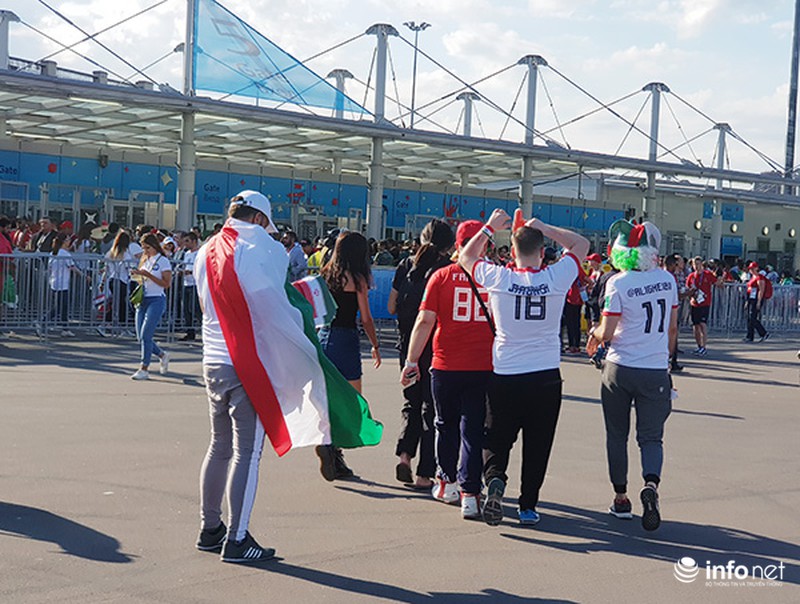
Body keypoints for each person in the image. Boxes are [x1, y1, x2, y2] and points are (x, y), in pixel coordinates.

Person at [460, 209, 590, 526]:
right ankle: (528, 505)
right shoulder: (555, 277)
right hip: (545, 375)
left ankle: (495, 480)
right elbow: (582, 245)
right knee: (538, 443)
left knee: (497, 439)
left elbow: (466, 257)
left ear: (512, 252)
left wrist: (489, 228)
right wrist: (545, 227)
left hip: (506, 373)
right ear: (542, 252)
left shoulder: (500, 277)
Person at [193, 191, 279, 563]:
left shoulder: (205, 249)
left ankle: (210, 528)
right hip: (244, 361)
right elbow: (270, 306)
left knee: (219, 447)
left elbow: (205, 304)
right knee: (248, 453)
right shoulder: (255, 247)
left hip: (212, 359)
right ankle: (238, 538)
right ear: (258, 219)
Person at [586, 220, 678, 532]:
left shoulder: (618, 283)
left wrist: (594, 335)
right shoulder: (667, 280)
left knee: (617, 434)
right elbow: (673, 328)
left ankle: (621, 497)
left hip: (620, 366)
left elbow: (608, 330)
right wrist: (666, 360)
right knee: (651, 437)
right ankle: (651, 485)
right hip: (654, 367)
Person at [400, 220, 494, 520]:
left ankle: (447, 482)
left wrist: (411, 361)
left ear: (457, 245)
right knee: (473, 429)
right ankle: (471, 492)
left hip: (445, 364)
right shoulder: (495, 277)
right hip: (483, 364)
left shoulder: (441, 276)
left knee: (445, 424)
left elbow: (424, 321)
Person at [389, 219, 455, 490]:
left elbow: (391, 306)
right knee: (432, 410)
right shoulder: (447, 270)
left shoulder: (405, 265)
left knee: (411, 403)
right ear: (449, 245)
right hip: (435, 348)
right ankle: (424, 474)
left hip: (406, 346)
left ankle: (404, 456)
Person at [315, 231, 382, 481]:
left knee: (329, 396)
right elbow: (366, 318)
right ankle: (335, 450)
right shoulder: (358, 279)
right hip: (346, 339)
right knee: (353, 400)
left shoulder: (326, 274)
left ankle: (329, 446)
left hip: (325, 336)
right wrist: (375, 344)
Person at [129, 233, 172, 380]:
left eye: (147, 247)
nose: (145, 251)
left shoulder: (163, 261)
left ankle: (144, 367)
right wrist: (137, 275)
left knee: (146, 334)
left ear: (154, 246)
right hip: (143, 299)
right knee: (141, 336)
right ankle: (162, 354)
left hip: (156, 299)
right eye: (143, 248)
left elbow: (166, 284)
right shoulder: (145, 259)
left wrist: (148, 275)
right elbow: (143, 279)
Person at [102, 230, 136, 336]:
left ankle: (113, 324)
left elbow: (106, 267)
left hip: (112, 279)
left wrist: (103, 281)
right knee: (120, 304)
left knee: (117, 304)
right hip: (121, 280)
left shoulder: (111, 252)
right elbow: (129, 268)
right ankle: (113, 324)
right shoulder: (125, 254)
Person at [685, 256, 718, 356]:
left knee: (703, 324)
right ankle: (699, 346)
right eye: (695, 264)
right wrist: (691, 294)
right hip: (694, 303)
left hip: (705, 303)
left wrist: (720, 277)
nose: (697, 266)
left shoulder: (708, 274)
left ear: (702, 265)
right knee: (695, 325)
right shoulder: (691, 276)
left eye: (698, 264)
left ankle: (704, 347)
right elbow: (687, 288)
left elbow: (717, 282)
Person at [180, 232, 201, 341]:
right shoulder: (187, 253)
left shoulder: (199, 253)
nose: (186, 243)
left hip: (195, 283)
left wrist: (191, 272)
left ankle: (203, 328)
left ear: (194, 241)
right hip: (186, 283)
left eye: (187, 241)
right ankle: (190, 332)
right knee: (186, 309)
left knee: (195, 308)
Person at [743, 262, 770, 342]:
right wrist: (747, 301)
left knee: (753, 318)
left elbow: (761, 290)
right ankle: (749, 336)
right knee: (749, 317)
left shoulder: (760, 277)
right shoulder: (753, 277)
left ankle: (763, 333)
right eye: (750, 269)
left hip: (756, 299)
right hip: (751, 298)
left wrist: (759, 301)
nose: (751, 270)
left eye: (753, 268)